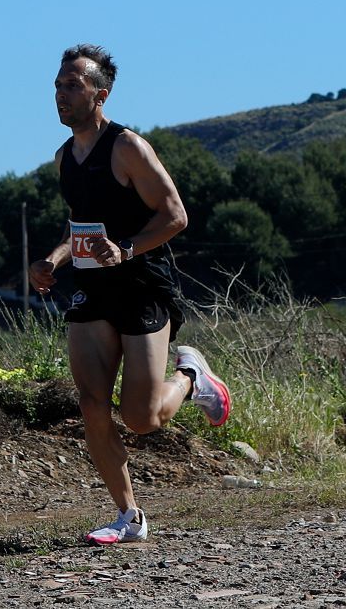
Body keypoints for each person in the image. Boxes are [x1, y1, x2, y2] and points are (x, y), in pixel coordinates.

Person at [29, 44, 232, 545]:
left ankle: (192, 377)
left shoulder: (127, 148)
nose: (61, 94)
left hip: (141, 285)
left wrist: (126, 249)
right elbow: (77, 228)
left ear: (100, 95)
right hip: (92, 289)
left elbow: (175, 216)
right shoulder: (64, 159)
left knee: (142, 419)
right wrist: (52, 261)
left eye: (72, 85)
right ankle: (129, 516)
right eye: (57, 84)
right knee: (92, 403)